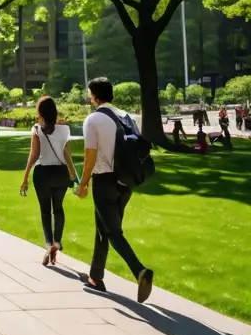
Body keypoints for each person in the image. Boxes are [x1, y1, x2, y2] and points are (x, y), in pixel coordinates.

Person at [77, 78, 154, 303]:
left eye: (90, 93)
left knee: (113, 233)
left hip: (104, 182)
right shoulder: (127, 116)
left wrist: (83, 184)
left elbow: (90, 156)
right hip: (125, 182)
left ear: (94, 96)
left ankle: (140, 271)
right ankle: (95, 277)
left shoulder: (93, 120)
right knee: (103, 228)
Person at [20, 96, 78, 267]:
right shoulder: (64, 129)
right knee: (58, 208)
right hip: (61, 173)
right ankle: (57, 242)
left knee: (45, 211)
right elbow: (67, 152)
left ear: (40, 112)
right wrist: (73, 174)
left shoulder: (37, 129)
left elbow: (34, 154)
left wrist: (25, 177)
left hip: (43, 173)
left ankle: (48, 245)